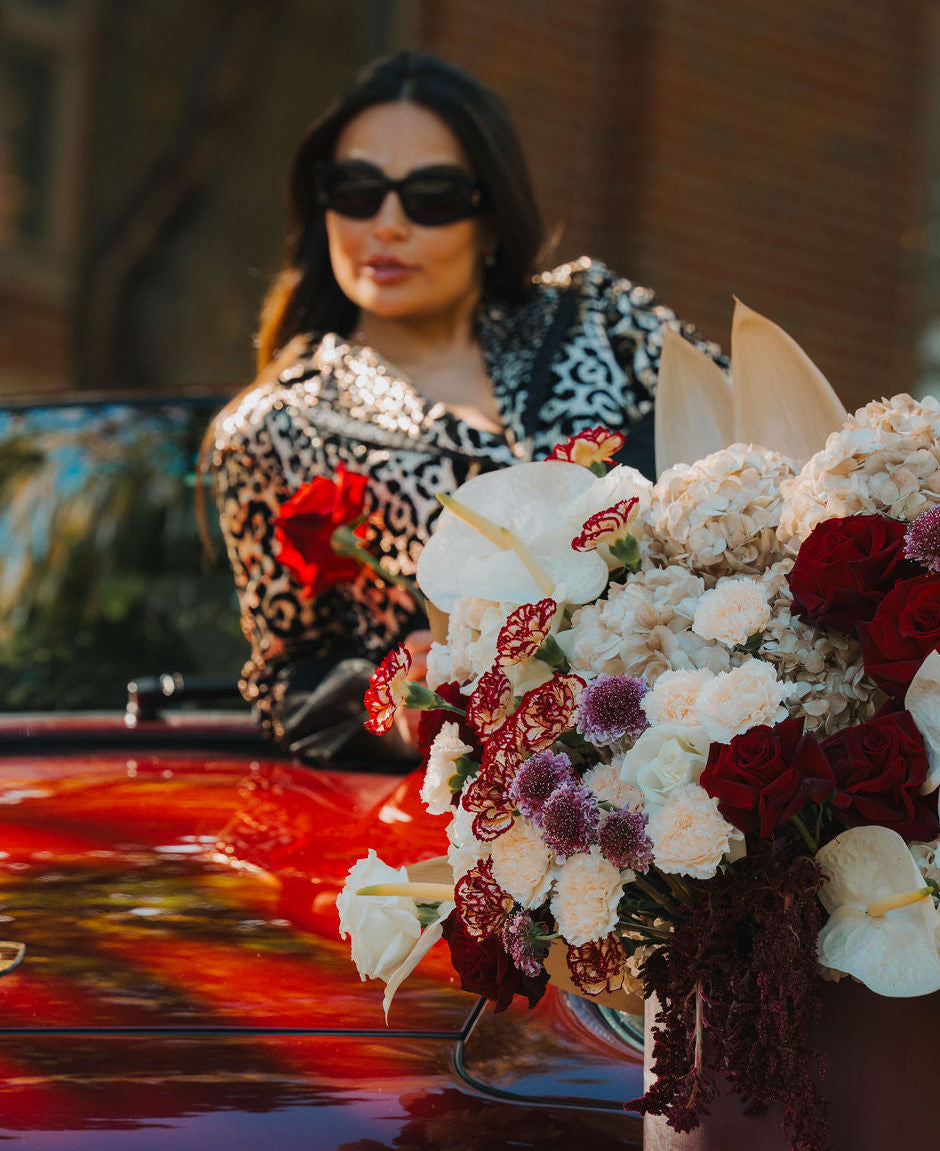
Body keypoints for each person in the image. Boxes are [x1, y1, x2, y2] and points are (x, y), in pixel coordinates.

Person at [207, 49, 723, 760]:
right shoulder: (274, 429)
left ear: (490, 214)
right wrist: (405, 701)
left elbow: (750, 460)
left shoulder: (604, 320)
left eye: (432, 197)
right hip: (477, 824)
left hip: (702, 740)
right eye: (357, 190)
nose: (387, 224)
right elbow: (291, 685)